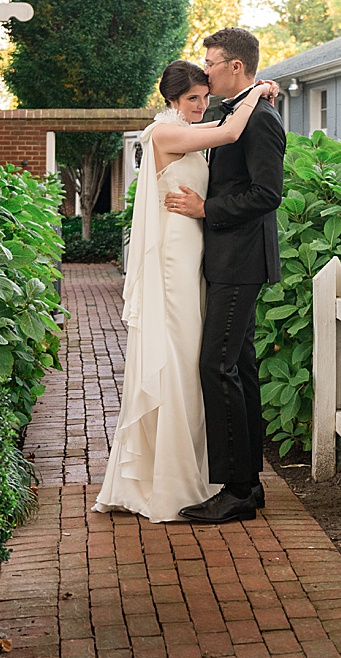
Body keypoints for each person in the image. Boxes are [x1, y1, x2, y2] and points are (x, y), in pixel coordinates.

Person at [91, 59, 276, 522]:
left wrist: (251, 93)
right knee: (180, 358)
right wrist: (257, 91)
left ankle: (212, 472)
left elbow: (224, 129)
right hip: (174, 261)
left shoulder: (194, 127)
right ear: (173, 99)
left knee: (205, 361)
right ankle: (172, 476)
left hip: (199, 258)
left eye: (204, 96)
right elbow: (231, 132)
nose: (201, 104)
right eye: (193, 98)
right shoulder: (164, 134)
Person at [164, 27, 286, 524]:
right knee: (241, 368)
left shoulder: (261, 120)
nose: (205, 68)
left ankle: (235, 489)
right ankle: (249, 486)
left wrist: (204, 208)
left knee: (216, 366)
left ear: (235, 66)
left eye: (211, 61)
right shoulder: (237, 111)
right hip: (227, 260)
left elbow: (267, 194)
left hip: (241, 262)